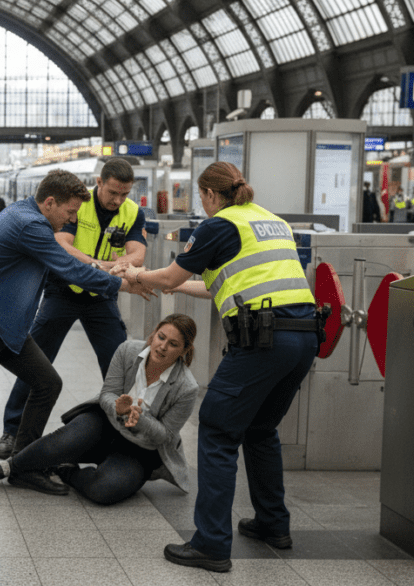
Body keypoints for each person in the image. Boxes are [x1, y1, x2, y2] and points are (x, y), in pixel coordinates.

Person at [114, 161, 318, 573]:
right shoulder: (272, 222)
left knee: (218, 430)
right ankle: (273, 524)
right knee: (260, 429)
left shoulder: (218, 225)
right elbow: (214, 285)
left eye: (201, 196)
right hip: (305, 338)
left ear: (209, 194)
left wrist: (136, 274)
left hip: (263, 341)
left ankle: (210, 544)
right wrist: (160, 282)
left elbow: (169, 278)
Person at [0, 170, 154, 506]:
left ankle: (23, 466)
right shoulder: (30, 224)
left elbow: (69, 265)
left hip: (3, 324)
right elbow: (69, 268)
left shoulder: (29, 216)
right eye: (70, 212)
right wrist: (124, 284)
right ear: (50, 202)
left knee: (47, 383)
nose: (73, 219)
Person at [0, 157, 147, 459]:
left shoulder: (132, 212)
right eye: (113, 192)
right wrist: (103, 266)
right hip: (63, 291)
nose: (118, 200)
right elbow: (62, 245)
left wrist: (112, 267)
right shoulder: (78, 205)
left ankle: (124, 431)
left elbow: (138, 253)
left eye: (124, 194)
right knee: (36, 359)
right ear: (99, 183)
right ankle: (12, 431)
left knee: (119, 362)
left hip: (101, 297)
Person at [0, 314, 199, 505]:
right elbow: (108, 393)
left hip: (141, 447)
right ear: (154, 334)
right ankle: (8, 467)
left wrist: (139, 419)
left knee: (104, 490)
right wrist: (118, 408)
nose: (162, 346)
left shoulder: (187, 387)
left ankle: (66, 470)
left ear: (184, 350)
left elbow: (165, 435)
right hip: (106, 423)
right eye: (161, 337)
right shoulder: (128, 350)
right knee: (66, 439)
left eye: (173, 344)